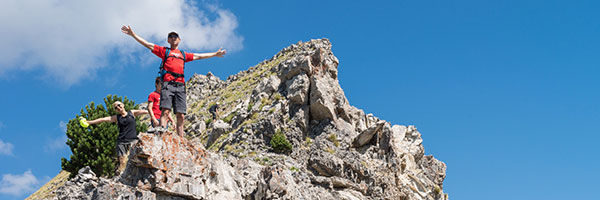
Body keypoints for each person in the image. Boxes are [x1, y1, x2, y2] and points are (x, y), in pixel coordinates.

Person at [121, 25, 226, 137]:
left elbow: (199, 56)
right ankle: (161, 136)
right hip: (168, 84)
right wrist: (133, 35)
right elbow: (148, 44)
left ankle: (180, 140)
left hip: (180, 85)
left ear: (179, 40)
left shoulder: (183, 55)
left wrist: (215, 54)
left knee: (181, 115)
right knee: (165, 111)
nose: (173, 38)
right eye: (170, 36)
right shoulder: (164, 51)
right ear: (168, 40)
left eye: (175, 36)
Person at [84, 101, 148, 173]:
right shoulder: (116, 118)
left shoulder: (131, 113)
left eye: (118, 105)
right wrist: (89, 122)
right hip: (121, 141)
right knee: (122, 161)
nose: (118, 107)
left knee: (136, 158)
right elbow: (102, 119)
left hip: (133, 140)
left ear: (123, 105)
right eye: (116, 107)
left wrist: (152, 111)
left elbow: (143, 111)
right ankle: (121, 175)